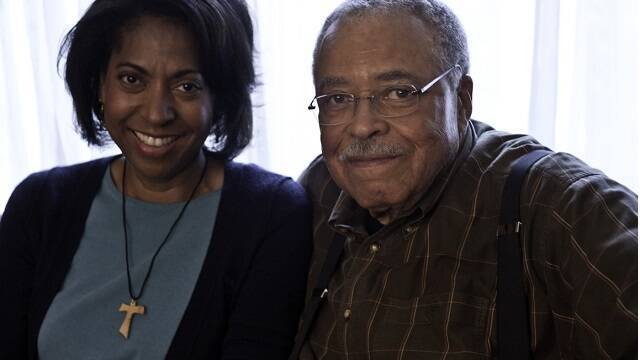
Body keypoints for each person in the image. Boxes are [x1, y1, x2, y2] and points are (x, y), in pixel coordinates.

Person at [294, 0, 638, 359]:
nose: (363, 126)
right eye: (337, 98)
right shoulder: (318, 191)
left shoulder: (559, 205)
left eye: (399, 93)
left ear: (461, 99)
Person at [0, 0, 312, 359]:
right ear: (100, 84)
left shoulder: (271, 215)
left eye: (187, 87)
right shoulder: (38, 205)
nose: (156, 113)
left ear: (220, 95)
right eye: (132, 79)